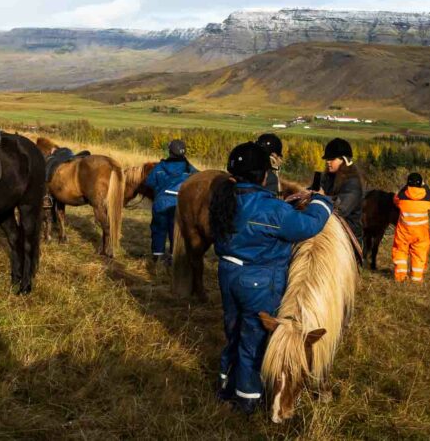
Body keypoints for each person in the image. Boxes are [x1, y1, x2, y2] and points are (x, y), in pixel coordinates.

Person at [210, 142, 333, 414]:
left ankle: (226, 386)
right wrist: (322, 201)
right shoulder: (269, 209)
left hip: (227, 273)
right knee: (254, 339)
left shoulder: (224, 198)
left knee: (233, 332)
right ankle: (248, 400)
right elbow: (308, 226)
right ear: (264, 176)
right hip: (259, 281)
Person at [144, 139, 198, 264]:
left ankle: (158, 257)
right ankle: (174, 256)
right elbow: (198, 179)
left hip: (161, 203)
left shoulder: (160, 166)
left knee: (158, 228)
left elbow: (149, 182)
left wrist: (160, 188)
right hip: (180, 204)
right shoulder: (189, 168)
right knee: (176, 230)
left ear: (170, 152)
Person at [315, 138, 364, 245]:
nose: (328, 162)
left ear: (344, 160)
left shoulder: (353, 183)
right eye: (327, 159)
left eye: (332, 159)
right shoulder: (328, 177)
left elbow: (341, 209)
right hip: (331, 229)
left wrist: (320, 197)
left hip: (348, 235)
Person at [392, 172, 430, 283]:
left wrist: (405, 187)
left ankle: (400, 278)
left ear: (407, 183)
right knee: (419, 255)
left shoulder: (402, 197)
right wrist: (425, 186)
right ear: (421, 183)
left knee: (400, 252)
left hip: (404, 233)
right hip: (421, 234)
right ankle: (416, 279)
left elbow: (395, 200)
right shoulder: (427, 198)